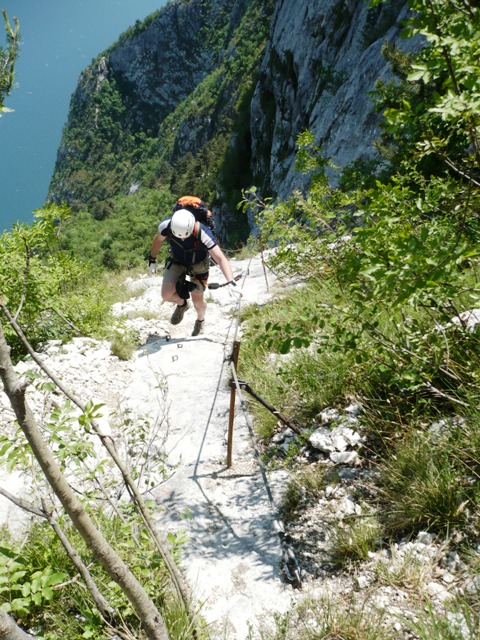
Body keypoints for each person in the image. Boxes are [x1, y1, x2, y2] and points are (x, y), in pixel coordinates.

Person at [148, 207, 237, 336]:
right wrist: (152, 259)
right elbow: (158, 240)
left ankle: (200, 320)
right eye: (180, 237)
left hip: (199, 264)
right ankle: (182, 303)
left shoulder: (202, 232)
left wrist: (231, 281)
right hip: (177, 260)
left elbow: (220, 258)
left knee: (197, 300)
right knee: (166, 295)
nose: (183, 240)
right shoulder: (166, 226)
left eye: (186, 236)